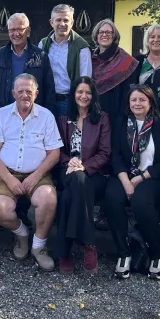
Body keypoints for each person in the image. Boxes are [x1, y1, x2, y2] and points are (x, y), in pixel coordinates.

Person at [0, 74, 63, 271]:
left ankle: (39, 246)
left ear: (36, 93)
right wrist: (9, 179)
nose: (24, 95)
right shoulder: (0, 115)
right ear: (13, 93)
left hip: (37, 173)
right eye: (20, 91)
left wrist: (36, 176)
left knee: (48, 199)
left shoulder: (46, 116)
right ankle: (21, 234)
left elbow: (54, 153)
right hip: (7, 173)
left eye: (29, 91)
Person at [105, 85, 160, 280]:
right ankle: (123, 253)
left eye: (142, 100)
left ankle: (156, 253)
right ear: (128, 103)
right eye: (134, 100)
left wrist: (140, 178)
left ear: (150, 102)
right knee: (112, 197)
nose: (137, 103)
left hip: (155, 178)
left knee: (140, 201)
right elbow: (116, 157)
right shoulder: (121, 123)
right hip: (124, 175)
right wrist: (126, 181)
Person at [54, 77, 110, 274]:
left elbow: (105, 152)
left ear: (93, 95)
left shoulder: (102, 118)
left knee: (68, 196)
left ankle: (65, 251)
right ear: (73, 94)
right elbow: (56, 150)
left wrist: (84, 166)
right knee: (76, 180)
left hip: (94, 174)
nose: (83, 96)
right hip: (67, 170)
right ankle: (89, 244)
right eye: (80, 92)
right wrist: (69, 161)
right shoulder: (63, 119)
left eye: (88, 92)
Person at [0, 13, 55, 111]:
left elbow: (49, 88)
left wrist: (49, 113)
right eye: (12, 30)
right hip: (5, 114)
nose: (16, 34)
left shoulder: (41, 56)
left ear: (28, 31)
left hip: (34, 114)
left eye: (20, 29)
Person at [38, 4, 92, 117]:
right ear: (51, 22)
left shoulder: (82, 47)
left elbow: (85, 80)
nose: (62, 24)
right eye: (58, 20)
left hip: (69, 101)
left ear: (72, 23)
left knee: (67, 134)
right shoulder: (43, 44)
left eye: (66, 20)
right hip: (46, 100)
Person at [91, 19, 139, 115]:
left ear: (114, 36)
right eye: (101, 32)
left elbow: (131, 91)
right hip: (93, 111)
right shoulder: (90, 59)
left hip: (117, 111)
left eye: (109, 32)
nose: (105, 35)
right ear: (96, 35)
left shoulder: (126, 60)